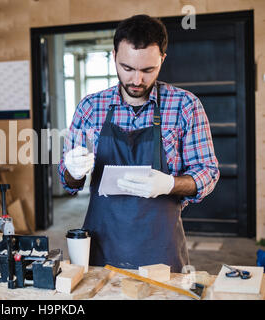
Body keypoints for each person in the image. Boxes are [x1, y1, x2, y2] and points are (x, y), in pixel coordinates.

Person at [58, 14, 220, 273]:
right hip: (102, 245)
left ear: (162, 60)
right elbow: (69, 183)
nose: (136, 80)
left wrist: (170, 184)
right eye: (127, 68)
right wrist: (73, 170)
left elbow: (208, 173)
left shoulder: (184, 106)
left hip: (160, 247)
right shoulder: (90, 108)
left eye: (147, 70)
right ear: (114, 57)